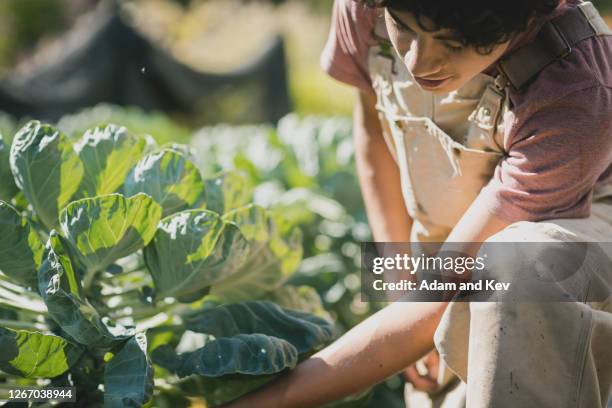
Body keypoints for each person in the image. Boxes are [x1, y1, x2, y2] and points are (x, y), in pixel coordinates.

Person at [222, 0, 612, 407]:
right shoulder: (370, 7)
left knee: (519, 271)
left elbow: (442, 289)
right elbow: (373, 127)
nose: (417, 60)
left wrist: (260, 403)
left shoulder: (575, 85)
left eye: (452, 43)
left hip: (580, 242)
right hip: (451, 241)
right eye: (404, 28)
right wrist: (396, 289)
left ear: (523, 22)